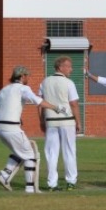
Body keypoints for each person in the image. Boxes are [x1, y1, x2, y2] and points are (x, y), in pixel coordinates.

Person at [0, 66, 65, 193]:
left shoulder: (4, 89)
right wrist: (56, 108)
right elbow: (37, 101)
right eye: (28, 76)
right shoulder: (23, 88)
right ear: (22, 76)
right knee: (30, 155)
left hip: (0, 128)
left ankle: (6, 174)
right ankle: (29, 188)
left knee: (20, 152)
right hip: (12, 127)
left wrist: (1, 118)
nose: (29, 78)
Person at [38, 56, 81, 191]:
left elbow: (40, 103)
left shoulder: (45, 82)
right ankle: (71, 181)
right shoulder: (69, 83)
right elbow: (74, 104)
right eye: (68, 66)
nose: (71, 69)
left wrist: (41, 120)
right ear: (60, 67)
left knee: (51, 153)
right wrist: (78, 121)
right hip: (67, 121)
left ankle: (52, 184)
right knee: (69, 151)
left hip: (50, 121)